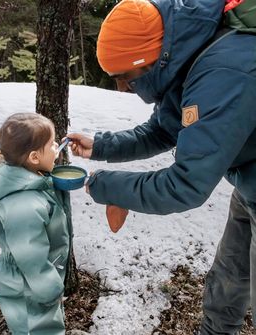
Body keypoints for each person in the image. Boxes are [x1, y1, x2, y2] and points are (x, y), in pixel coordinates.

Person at [67, 0, 256, 334]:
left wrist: (105, 186)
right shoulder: (185, 57)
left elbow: (185, 186)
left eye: (123, 77)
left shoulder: (223, 72)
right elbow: (163, 129)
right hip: (249, 185)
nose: (122, 88)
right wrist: (101, 146)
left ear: (146, 59)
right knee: (229, 277)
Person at [0, 113, 71, 335]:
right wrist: (50, 289)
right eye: (52, 144)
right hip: (28, 287)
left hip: (33, 283)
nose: (57, 146)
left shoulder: (30, 181)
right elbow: (30, 256)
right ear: (34, 157)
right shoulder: (23, 206)